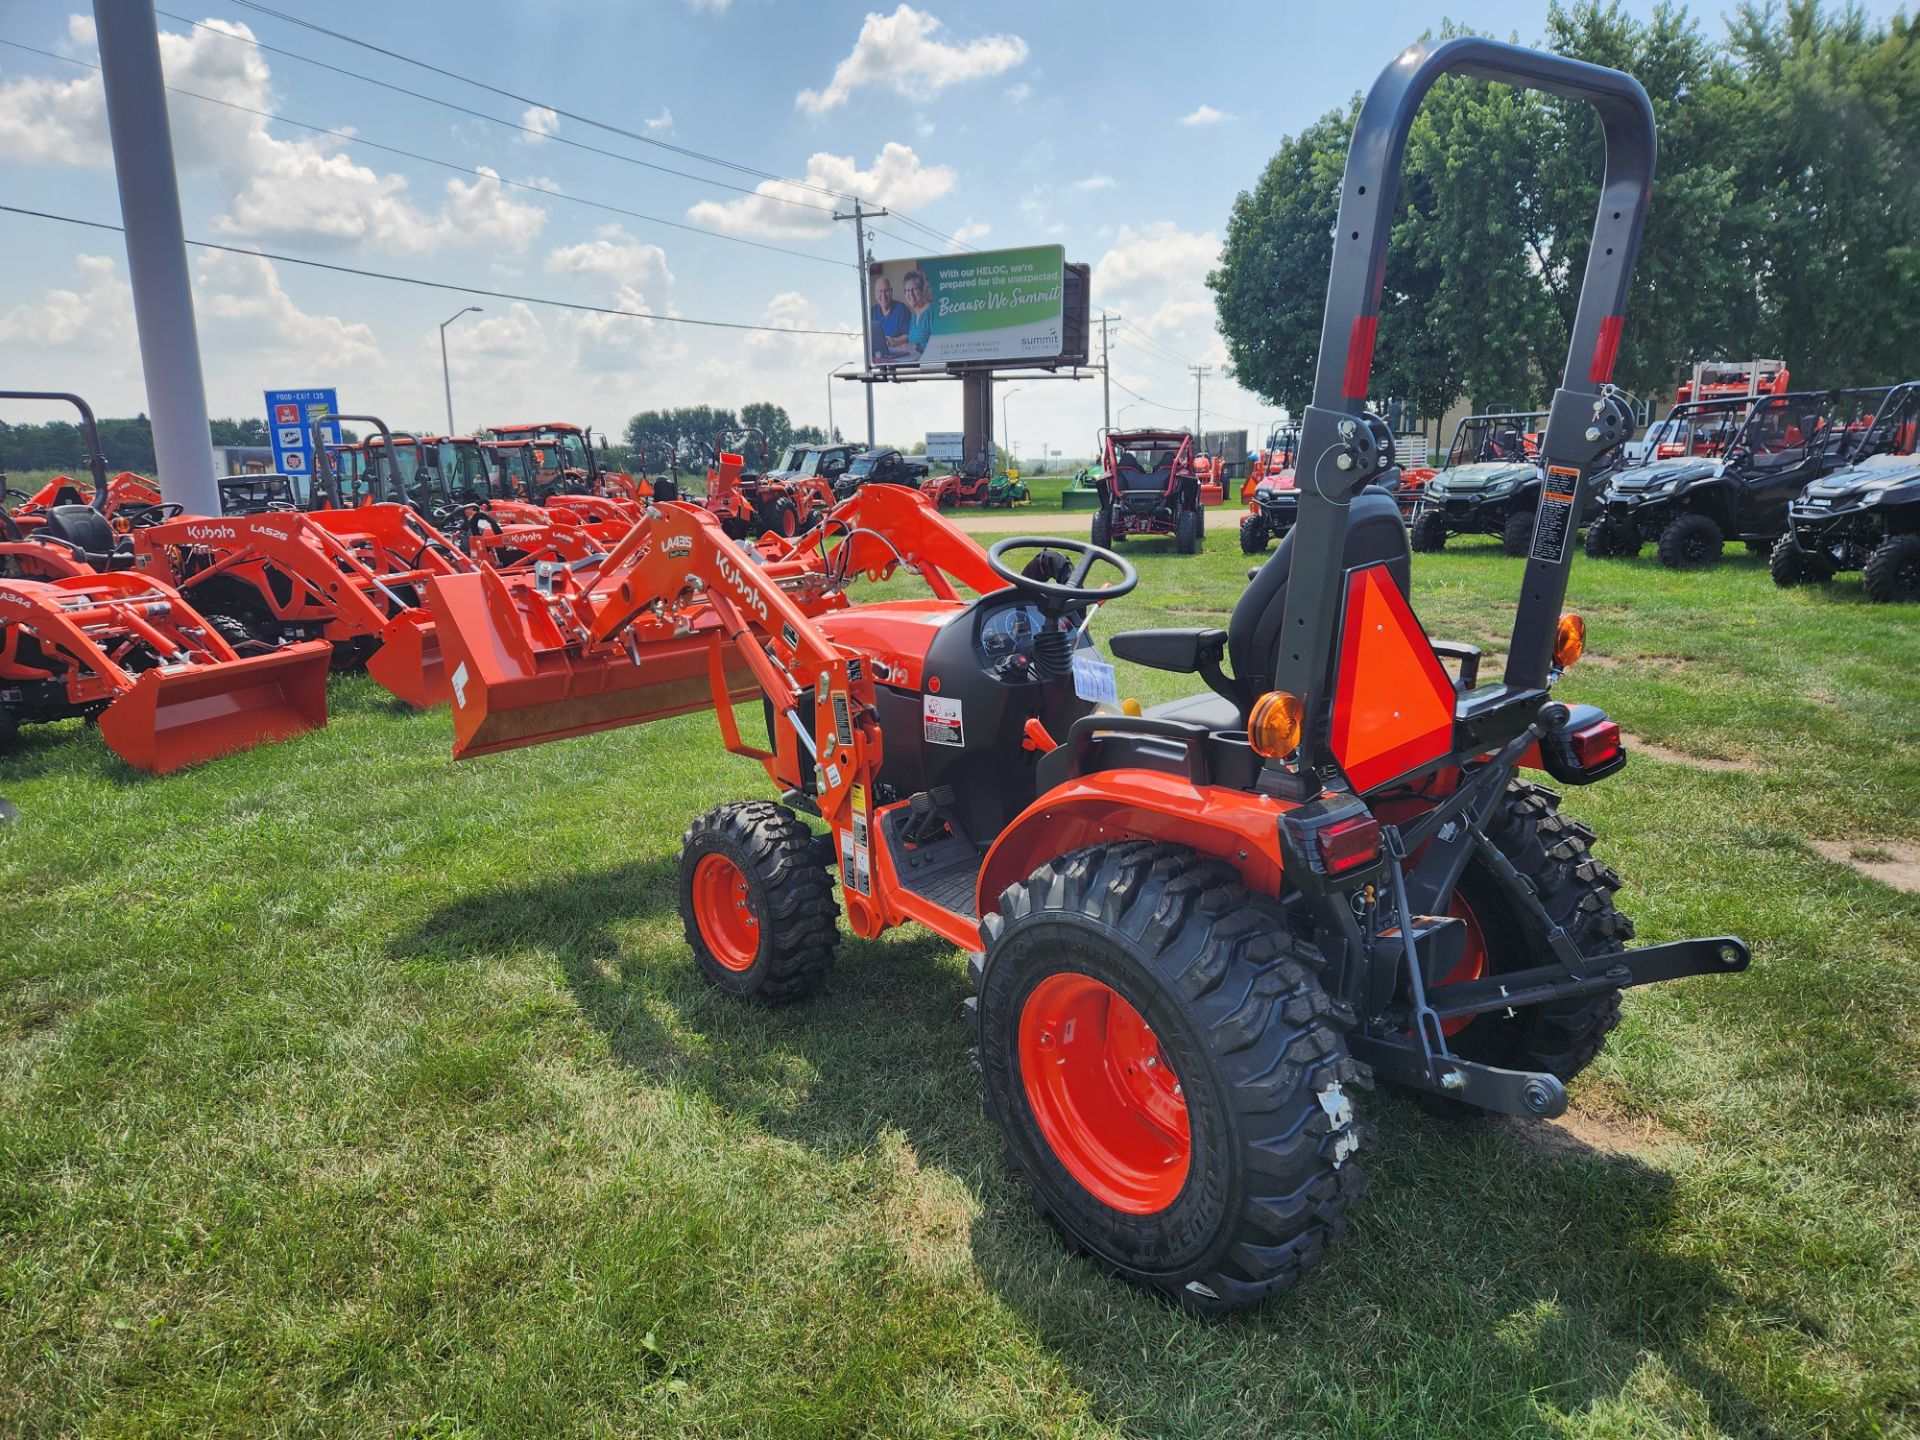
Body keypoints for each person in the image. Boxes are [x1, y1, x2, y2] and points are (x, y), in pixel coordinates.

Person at [869, 273, 909, 363]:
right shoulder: (871, 312)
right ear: (875, 294)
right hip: (879, 358)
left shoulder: (901, 309)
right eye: (880, 291)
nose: (883, 295)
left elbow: (909, 335)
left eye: (886, 291)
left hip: (899, 358)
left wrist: (895, 340)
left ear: (891, 291)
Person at [902, 269, 934, 356]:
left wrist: (916, 347)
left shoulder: (932, 311)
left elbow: (939, 344)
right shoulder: (913, 315)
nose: (911, 294)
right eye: (907, 290)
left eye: (914, 289)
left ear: (922, 290)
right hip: (915, 364)